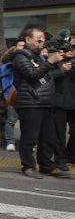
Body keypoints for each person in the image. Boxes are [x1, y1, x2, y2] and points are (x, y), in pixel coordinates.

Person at [11, 27, 68, 178]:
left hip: (45, 102)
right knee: (30, 137)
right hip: (30, 102)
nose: (41, 41)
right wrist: (50, 61)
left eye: (43, 39)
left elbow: (47, 76)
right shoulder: (20, 56)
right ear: (28, 40)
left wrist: (58, 65)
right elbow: (31, 75)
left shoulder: (40, 57)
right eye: (38, 39)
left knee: (48, 137)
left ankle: (46, 165)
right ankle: (28, 166)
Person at [50, 38, 74, 173]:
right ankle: (60, 160)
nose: (70, 50)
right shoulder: (55, 61)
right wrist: (61, 69)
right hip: (58, 103)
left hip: (73, 102)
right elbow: (47, 76)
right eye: (69, 47)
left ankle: (70, 155)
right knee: (59, 134)